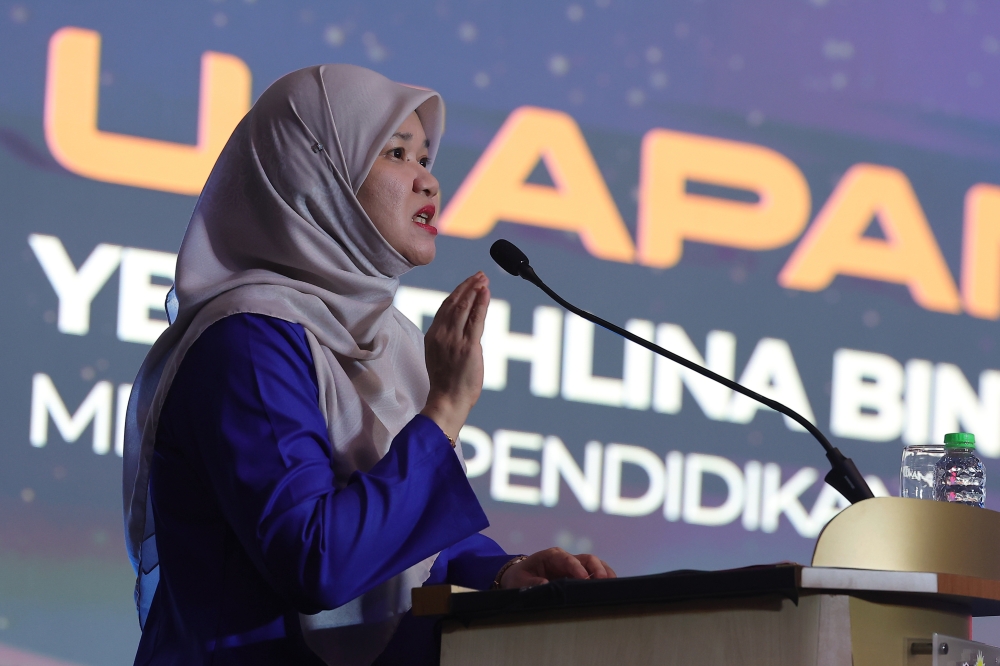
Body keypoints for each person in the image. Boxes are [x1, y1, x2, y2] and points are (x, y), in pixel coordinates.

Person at [122, 64, 615, 666]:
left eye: (427, 160)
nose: (427, 184)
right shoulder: (247, 341)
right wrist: (443, 413)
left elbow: (405, 546)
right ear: (316, 175)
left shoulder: (393, 341)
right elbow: (317, 561)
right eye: (396, 153)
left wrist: (501, 573)